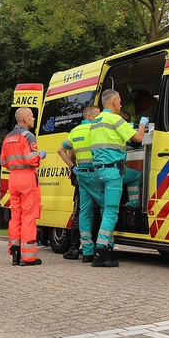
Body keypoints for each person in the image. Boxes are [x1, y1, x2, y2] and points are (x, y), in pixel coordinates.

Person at [89, 89, 148, 267]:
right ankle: (100, 252)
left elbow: (108, 144)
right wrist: (143, 124)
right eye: (120, 101)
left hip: (99, 172)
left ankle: (107, 248)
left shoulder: (96, 121)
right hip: (113, 172)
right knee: (111, 212)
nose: (121, 105)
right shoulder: (116, 119)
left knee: (133, 177)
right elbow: (138, 138)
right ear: (114, 102)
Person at [0, 107, 45, 266]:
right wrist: (40, 156)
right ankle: (28, 257)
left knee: (16, 216)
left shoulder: (7, 137)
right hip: (27, 178)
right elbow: (32, 160)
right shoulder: (28, 136)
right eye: (32, 117)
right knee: (28, 216)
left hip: (13, 178)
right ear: (25, 119)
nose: (33, 119)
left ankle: (15, 254)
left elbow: (3, 162)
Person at [57, 104, 101, 262]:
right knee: (104, 210)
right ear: (90, 116)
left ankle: (78, 248)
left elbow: (67, 150)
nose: (100, 117)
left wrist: (73, 167)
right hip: (98, 174)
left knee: (82, 211)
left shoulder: (75, 131)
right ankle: (101, 248)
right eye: (98, 115)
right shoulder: (97, 129)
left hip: (81, 174)